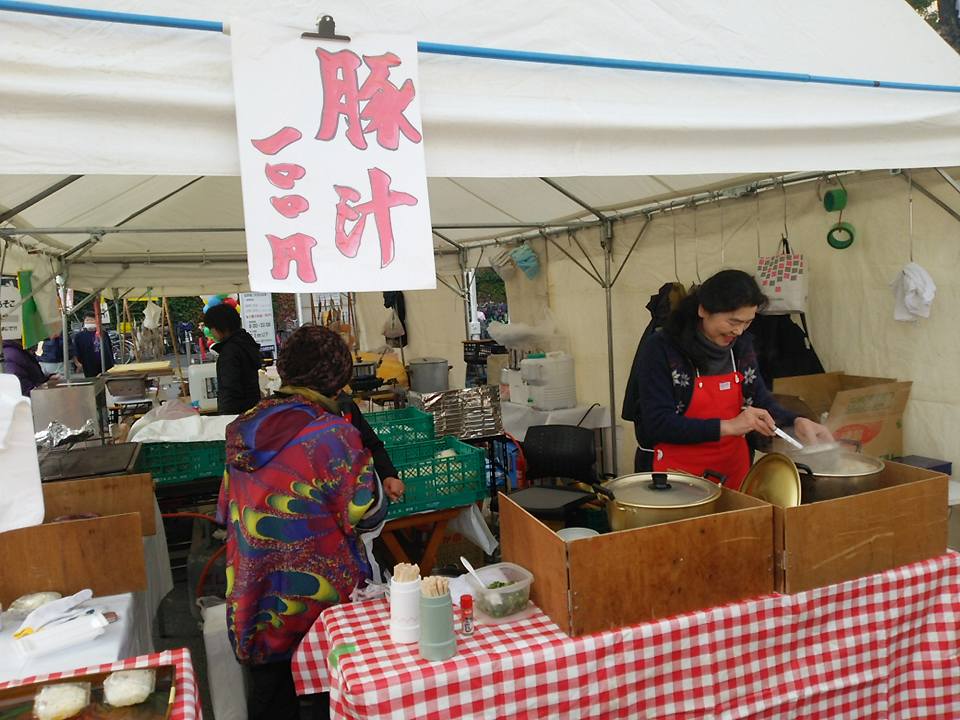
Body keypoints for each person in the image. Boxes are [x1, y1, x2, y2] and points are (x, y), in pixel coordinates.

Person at [218, 325, 384, 720]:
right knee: (329, 698)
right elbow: (367, 512)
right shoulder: (332, 434)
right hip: (320, 602)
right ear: (337, 378)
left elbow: (226, 510)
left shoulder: (243, 426)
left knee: (271, 699)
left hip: (254, 592)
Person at [631, 269, 832, 490]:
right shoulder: (662, 349)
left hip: (732, 473)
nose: (738, 331)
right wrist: (729, 426)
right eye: (733, 321)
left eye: (747, 323)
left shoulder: (740, 347)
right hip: (677, 478)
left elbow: (759, 399)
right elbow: (658, 424)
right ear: (703, 310)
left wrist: (795, 422)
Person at [204, 304, 262, 415]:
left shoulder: (229, 352)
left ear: (220, 327)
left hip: (236, 413)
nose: (212, 333)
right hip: (252, 408)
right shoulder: (246, 343)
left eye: (212, 328)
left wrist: (225, 417)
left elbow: (229, 389)